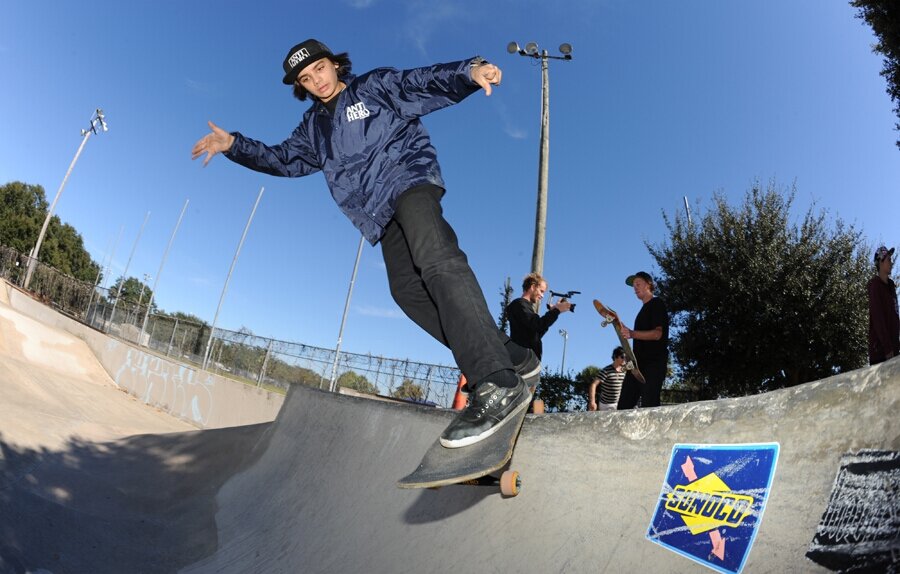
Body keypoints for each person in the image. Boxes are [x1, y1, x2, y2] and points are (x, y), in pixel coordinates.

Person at [191, 39, 539, 449]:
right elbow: (283, 159)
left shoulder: (371, 88)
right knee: (406, 291)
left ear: (334, 64)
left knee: (436, 259)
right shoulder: (313, 129)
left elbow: (418, 83)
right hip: (379, 212)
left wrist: (469, 70)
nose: (316, 81)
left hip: (410, 180)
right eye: (305, 79)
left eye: (319, 69)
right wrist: (235, 145)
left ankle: (496, 381)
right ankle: (511, 354)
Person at [617, 271, 668, 409]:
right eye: (633, 285)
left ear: (648, 284)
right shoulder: (641, 313)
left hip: (653, 364)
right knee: (623, 406)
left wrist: (632, 333)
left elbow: (658, 334)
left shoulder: (657, 303)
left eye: (638, 284)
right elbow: (639, 339)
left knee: (649, 406)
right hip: (636, 366)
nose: (635, 287)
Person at [506, 272, 572, 360]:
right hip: (523, 360)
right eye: (541, 291)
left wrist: (553, 311)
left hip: (528, 360)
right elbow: (538, 325)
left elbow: (537, 333)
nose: (542, 295)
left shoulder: (524, 307)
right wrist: (556, 310)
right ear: (533, 287)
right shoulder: (520, 304)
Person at [868, 245, 899, 365]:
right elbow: (878, 318)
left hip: (894, 351)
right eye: (889, 260)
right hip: (881, 354)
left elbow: (895, 316)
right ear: (880, 262)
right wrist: (887, 348)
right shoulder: (875, 286)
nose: (892, 263)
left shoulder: (891, 286)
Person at [588, 347, 627, 411]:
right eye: (622, 357)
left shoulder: (625, 371)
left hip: (618, 404)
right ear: (615, 357)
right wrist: (592, 401)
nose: (624, 360)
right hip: (605, 405)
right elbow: (593, 385)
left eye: (626, 358)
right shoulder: (606, 371)